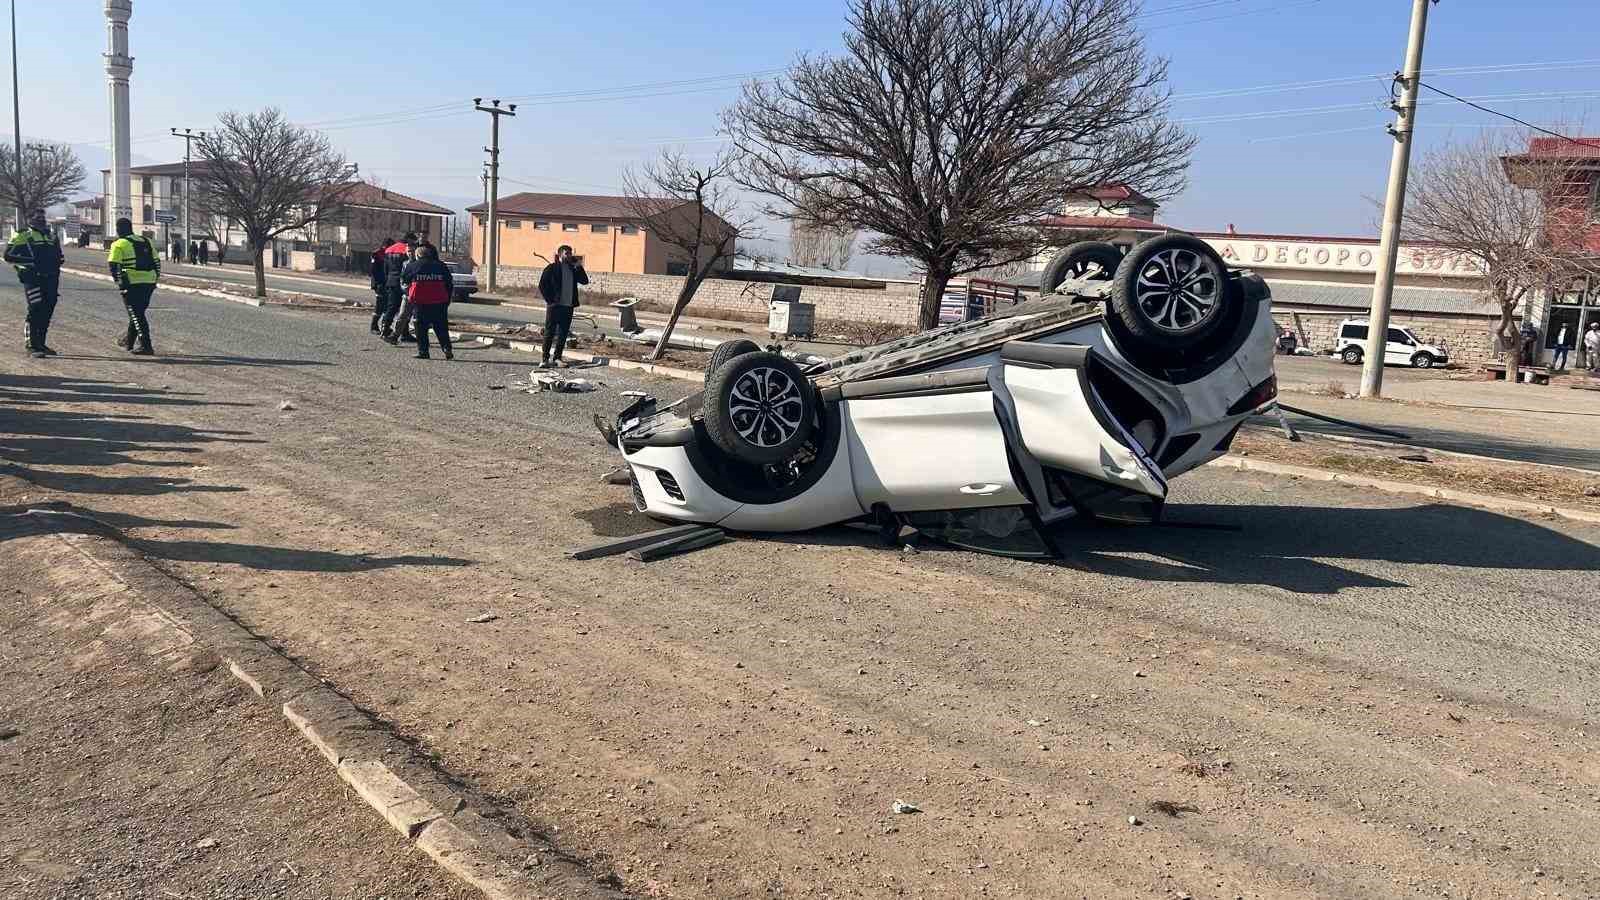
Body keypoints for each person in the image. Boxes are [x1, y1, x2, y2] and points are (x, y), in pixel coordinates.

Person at [5, 209, 64, 357]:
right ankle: (31, 345)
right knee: (35, 308)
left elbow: (59, 256)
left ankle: (41, 344)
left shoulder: (51, 236)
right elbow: (8, 255)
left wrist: (57, 262)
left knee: (47, 310)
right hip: (32, 278)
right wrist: (33, 262)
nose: (41, 221)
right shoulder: (23, 235)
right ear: (30, 220)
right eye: (38, 218)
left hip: (51, 279)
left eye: (43, 218)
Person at [107, 217, 160, 355]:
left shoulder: (118, 244)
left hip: (131, 284)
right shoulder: (146, 241)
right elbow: (157, 262)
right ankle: (129, 343)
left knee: (136, 315)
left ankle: (146, 346)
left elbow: (114, 266)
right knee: (137, 312)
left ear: (118, 229)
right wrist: (154, 280)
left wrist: (120, 284)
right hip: (149, 283)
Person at [402, 242, 454, 360]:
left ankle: (423, 351)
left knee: (420, 327)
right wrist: (447, 300)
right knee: (441, 327)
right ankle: (447, 348)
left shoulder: (413, 266)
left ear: (418, 255)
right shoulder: (441, 266)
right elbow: (449, 283)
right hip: (439, 302)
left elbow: (405, 279)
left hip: (420, 302)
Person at [537, 244, 587, 368]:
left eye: (570, 253)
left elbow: (585, 281)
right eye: (566, 253)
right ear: (560, 255)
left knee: (563, 333)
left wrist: (579, 266)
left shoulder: (573, 269)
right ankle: (545, 358)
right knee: (550, 332)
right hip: (555, 306)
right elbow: (542, 285)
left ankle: (557, 358)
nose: (569, 255)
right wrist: (550, 300)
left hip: (568, 306)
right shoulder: (552, 268)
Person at [378, 232, 416, 343]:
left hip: (391, 281)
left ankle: (385, 329)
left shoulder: (390, 249)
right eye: (413, 241)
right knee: (404, 310)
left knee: (392, 307)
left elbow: (385, 268)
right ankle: (403, 333)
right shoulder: (407, 249)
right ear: (409, 240)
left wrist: (387, 280)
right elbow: (408, 267)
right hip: (403, 282)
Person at [368, 238, 392, 334]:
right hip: (380, 283)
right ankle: (373, 326)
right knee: (380, 305)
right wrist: (379, 283)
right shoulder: (377, 254)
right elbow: (373, 270)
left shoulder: (388, 254)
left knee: (386, 306)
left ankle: (384, 326)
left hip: (386, 283)